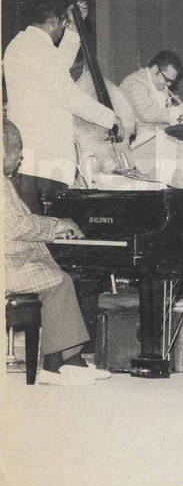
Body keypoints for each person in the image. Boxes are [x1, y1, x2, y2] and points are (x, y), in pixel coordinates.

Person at [3, 120, 111, 385]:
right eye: (17, 150)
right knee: (59, 281)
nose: (20, 157)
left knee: (60, 278)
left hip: (12, 261)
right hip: (7, 267)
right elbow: (14, 226)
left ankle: (66, 363)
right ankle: (57, 366)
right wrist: (56, 225)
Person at [3, 0, 122, 212]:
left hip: (30, 161)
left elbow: (57, 71)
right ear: (53, 21)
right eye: (63, 24)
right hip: (45, 163)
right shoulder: (41, 50)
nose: (63, 29)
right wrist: (110, 118)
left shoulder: (21, 44)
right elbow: (68, 95)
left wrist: (74, 30)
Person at [119, 50, 183, 143]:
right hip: (135, 144)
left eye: (171, 82)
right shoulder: (134, 82)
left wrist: (177, 109)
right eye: (167, 79)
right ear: (155, 69)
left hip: (156, 142)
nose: (169, 85)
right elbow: (145, 113)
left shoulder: (160, 86)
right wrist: (176, 111)